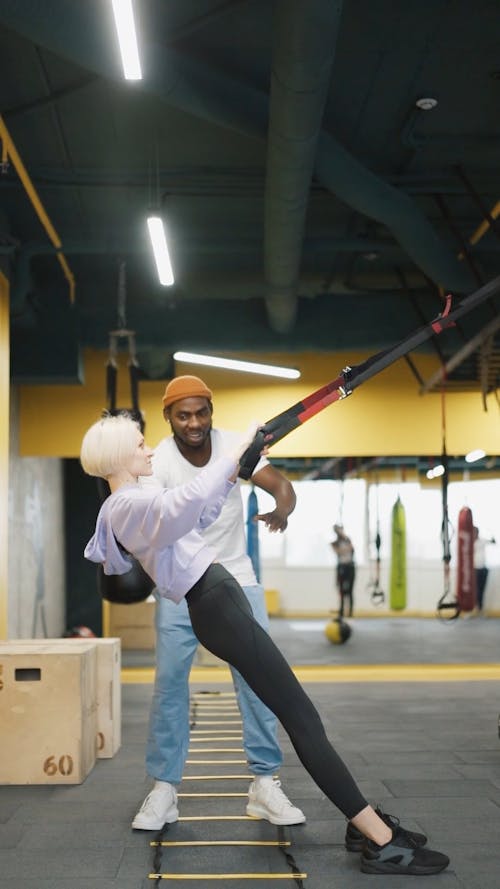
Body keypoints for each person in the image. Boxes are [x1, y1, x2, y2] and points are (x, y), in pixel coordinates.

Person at [81, 413, 450, 876]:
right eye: (140, 445)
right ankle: (380, 840)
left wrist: (237, 469)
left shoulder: (138, 496)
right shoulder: (125, 507)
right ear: (118, 456)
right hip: (216, 605)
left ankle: (365, 826)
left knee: (300, 715)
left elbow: (202, 511)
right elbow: (187, 501)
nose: (149, 450)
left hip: (221, 599)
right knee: (302, 718)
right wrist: (232, 452)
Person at [131, 375, 304, 830]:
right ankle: (164, 790)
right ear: (168, 416)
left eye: (201, 412)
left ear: (211, 411)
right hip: (179, 585)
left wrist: (283, 507)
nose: (194, 423)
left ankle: (264, 785)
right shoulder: (158, 462)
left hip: (237, 579)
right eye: (183, 415)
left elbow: (281, 486)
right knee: (169, 685)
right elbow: (158, 521)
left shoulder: (234, 447)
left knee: (258, 682)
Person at [331, 524, 355, 617]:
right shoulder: (335, 543)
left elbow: (352, 548)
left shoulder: (348, 539)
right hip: (341, 567)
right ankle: (341, 612)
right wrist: (345, 549)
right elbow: (338, 552)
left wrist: (344, 548)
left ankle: (350, 613)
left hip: (350, 566)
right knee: (341, 590)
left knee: (350, 591)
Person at [473, 526, 495, 613]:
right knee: (475, 590)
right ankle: (473, 608)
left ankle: (480, 609)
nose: (475, 533)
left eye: (476, 532)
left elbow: (493, 542)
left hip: (483, 568)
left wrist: (492, 534)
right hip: (474, 569)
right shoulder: (469, 542)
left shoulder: (482, 540)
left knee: (482, 589)